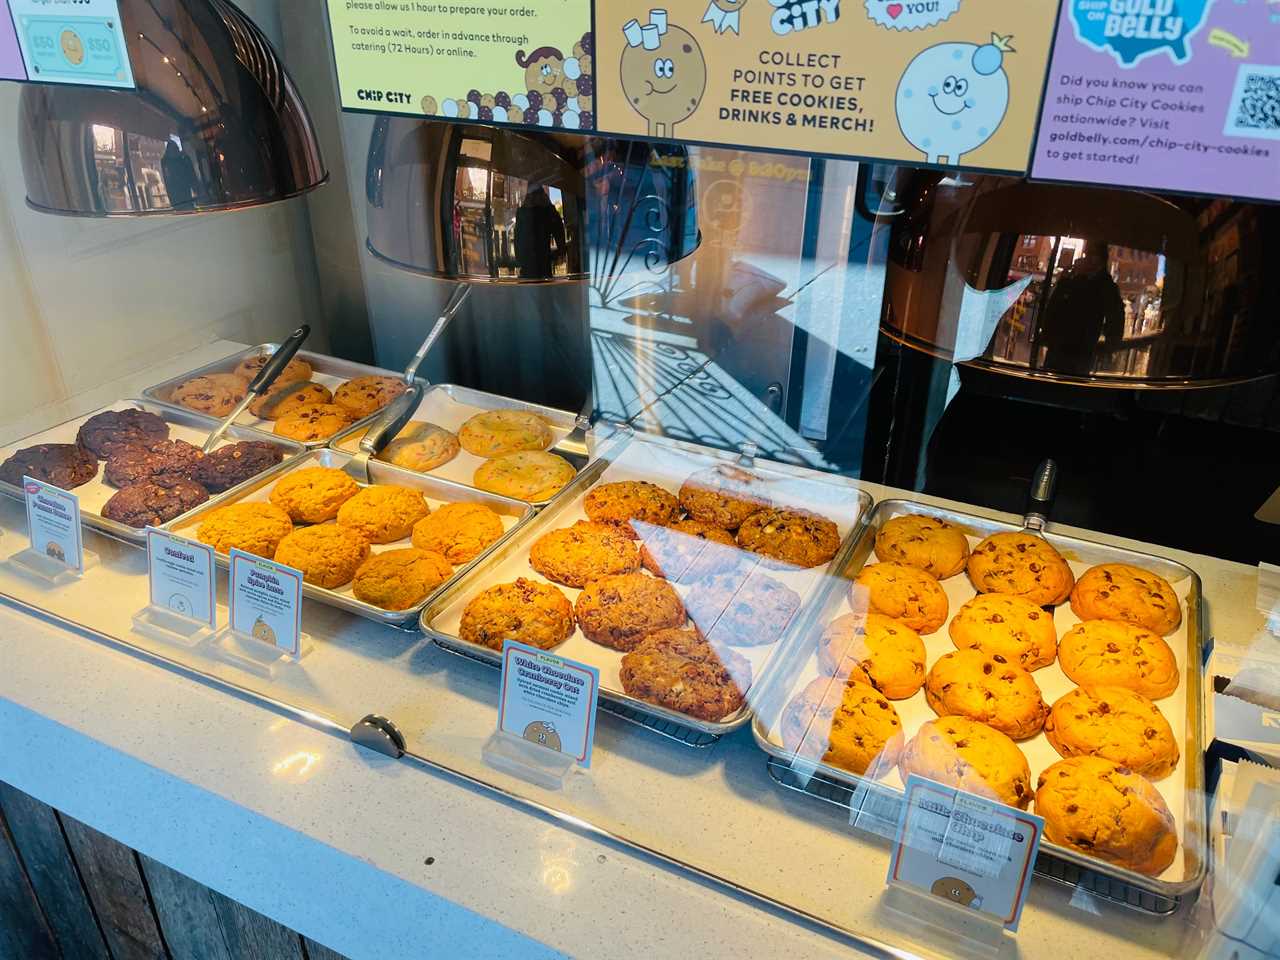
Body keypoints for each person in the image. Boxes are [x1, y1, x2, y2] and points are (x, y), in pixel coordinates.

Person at [1037, 243, 1125, 376]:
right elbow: (1055, 306)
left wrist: (1109, 346)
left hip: (1079, 352)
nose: (1086, 259)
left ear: (1100, 259)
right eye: (1086, 255)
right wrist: (1064, 281)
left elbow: (1116, 319)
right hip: (1061, 347)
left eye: (1091, 255)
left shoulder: (1106, 286)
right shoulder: (1078, 279)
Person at [514, 186, 565, 280]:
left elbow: (517, 239)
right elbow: (559, 230)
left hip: (529, 266)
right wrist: (560, 251)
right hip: (543, 265)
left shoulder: (523, 211)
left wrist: (519, 259)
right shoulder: (547, 209)